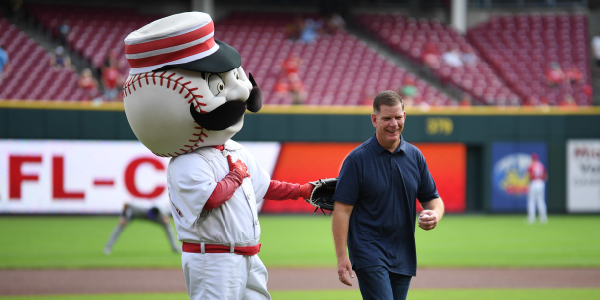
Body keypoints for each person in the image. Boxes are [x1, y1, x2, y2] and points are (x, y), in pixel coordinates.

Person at [121, 12, 318, 299]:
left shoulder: (234, 149)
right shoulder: (186, 162)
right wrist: (236, 174)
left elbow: (262, 186)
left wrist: (304, 190)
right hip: (211, 260)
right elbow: (210, 198)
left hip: (249, 256)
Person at [331, 90, 445, 300]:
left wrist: (435, 214)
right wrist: (341, 256)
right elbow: (342, 211)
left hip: (404, 252)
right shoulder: (357, 160)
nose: (394, 124)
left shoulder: (415, 156)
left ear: (404, 116)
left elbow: (433, 198)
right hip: (368, 251)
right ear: (374, 119)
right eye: (387, 118)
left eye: (398, 117)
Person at [104, 201, 180, 255]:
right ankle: (107, 247)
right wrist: (123, 216)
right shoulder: (139, 207)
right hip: (134, 214)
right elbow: (126, 204)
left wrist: (165, 217)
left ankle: (175, 248)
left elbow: (168, 207)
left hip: (156, 217)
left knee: (168, 227)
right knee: (120, 226)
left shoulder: (160, 210)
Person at [527, 153, 547, 224]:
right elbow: (546, 176)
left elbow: (529, 175)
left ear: (532, 159)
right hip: (541, 183)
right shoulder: (541, 165)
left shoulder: (531, 165)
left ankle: (531, 218)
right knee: (541, 200)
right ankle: (543, 218)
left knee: (532, 201)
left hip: (534, 183)